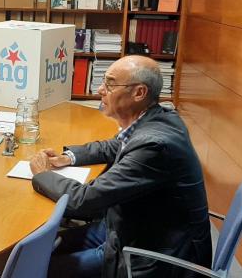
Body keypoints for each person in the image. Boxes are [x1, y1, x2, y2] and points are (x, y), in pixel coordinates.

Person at [29, 55, 211, 278]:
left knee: (35, 269)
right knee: (35, 250)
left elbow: (85, 201)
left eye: (110, 84)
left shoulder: (154, 147)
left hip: (152, 256)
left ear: (139, 93)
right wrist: (69, 157)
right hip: (131, 228)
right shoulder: (160, 118)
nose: (99, 90)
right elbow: (116, 145)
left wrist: (43, 174)